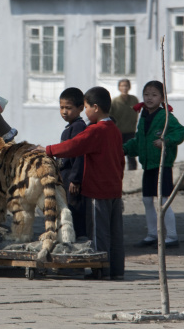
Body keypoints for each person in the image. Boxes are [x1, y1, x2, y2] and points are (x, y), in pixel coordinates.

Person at [39, 87, 125, 280]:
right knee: (115, 233)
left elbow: (74, 146)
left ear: (95, 107)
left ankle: (100, 270)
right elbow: (121, 160)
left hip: (98, 191)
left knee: (99, 233)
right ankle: (117, 270)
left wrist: (48, 150)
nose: (85, 112)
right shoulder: (115, 130)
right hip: (114, 190)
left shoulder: (96, 130)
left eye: (85, 107)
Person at [123, 80, 184, 248]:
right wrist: (124, 149)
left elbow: (180, 132)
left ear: (162, 98)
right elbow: (139, 141)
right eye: (146, 94)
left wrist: (165, 140)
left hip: (162, 165)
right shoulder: (143, 116)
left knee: (163, 201)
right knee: (146, 200)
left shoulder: (166, 116)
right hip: (148, 165)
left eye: (154, 95)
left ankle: (172, 237)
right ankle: (152, 234)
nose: (149, 98)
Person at [57, 87, 87, 239]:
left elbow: (79, 154)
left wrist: (76, 179)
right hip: (65, 177)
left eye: (68, 108)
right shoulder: (70, 128)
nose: (64, 111)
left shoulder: (79, 127)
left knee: (75, 210)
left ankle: (80, 239)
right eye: (61, 107)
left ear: (81, 108)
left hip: (72, 180)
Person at [109, 79, 139, 170]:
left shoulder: (134, 100)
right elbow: (110, 116)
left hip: (130, 131)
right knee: (118, 154)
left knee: (131, 155)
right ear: (119, 88)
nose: (124, 88)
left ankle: (132, 175)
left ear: (129, 87)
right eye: (122, 86)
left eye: (126, 85)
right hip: (118, 132)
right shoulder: (114, 101)